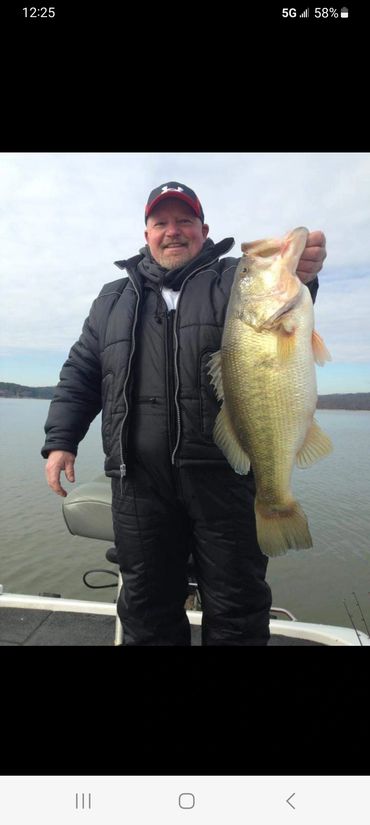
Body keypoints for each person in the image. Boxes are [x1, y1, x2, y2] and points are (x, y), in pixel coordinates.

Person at [42, 181, 327, 646]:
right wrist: (60, 440)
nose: (173, 231)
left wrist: (305, 271)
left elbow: (280, 307)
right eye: (162, 223)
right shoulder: (112, 299)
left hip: (224, 481)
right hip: (138, 483)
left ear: (203, 230)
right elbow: (81, 372)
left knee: (237, 609)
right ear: (147, 232)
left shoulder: (233, 280)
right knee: (147, 610)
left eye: (184, 221)